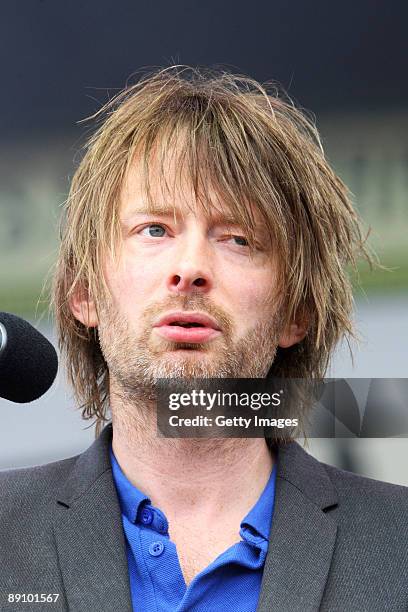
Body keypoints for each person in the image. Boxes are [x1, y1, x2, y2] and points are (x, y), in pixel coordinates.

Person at [1, 66, 407, 612]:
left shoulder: (396, 545)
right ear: (84, 293)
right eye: (154, 230)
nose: (190, 268)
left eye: (237, 238)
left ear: (296, 312)